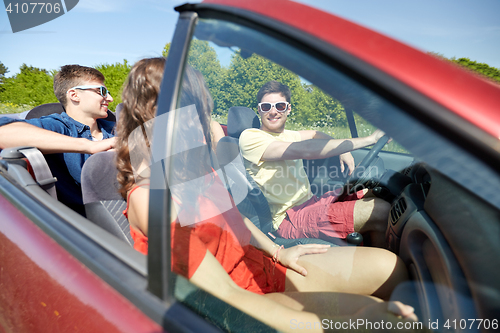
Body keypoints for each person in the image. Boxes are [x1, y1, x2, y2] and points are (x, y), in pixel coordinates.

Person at [115, 59, 418, 332]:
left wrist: (277, 251)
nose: (203, 124)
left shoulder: (192, 170)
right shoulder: (151, 200)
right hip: (241, 298)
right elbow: (229, 300)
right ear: (160, 117)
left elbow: (236, 220)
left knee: (391, 270)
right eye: (195, 113)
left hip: (264, 266)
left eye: (201, 114)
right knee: (378, 318)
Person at [239, 81, 390, 247]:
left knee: (375, 195)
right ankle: (386, 268)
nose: (273, 111)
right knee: (380, 211)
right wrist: (369, 140)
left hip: (311, 202)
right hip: (288, 219)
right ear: (259, 110)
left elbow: (316, 134)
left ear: (288, 109)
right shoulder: (250, 137)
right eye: (266, 106)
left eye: (280, 106)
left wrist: (343, 151)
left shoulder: (290, 135)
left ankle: (373, 257)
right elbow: (304, 149)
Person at [0, 65, 116, 215]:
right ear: (74, 95)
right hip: (90, 225)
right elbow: (3, 133)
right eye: (102, 91)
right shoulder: (57, 127)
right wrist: (90, 146)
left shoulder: (117, 127)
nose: (110, 98)